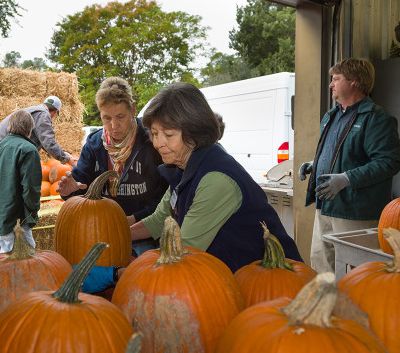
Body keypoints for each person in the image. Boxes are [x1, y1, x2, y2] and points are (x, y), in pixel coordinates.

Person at [80, 82, 302, 293]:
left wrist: (116, 274)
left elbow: (180, 254)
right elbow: (158, 220)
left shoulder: (215, 180)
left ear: (194, 133)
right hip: (230, 281)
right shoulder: (181, 167)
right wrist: (111, 240)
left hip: (268, 286)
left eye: (168, 135)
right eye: (154, 134)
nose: (158, 144)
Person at [299, 58, 400, 273]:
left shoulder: (377, 118)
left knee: (356, 272)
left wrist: (346, 178)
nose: (331, 84)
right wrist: (314, 164)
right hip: (325, 205)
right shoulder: (331, 116)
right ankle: (327, 307)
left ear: (353, 81)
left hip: (356, 212)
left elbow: (389, 162)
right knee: (321, 265)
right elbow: (339, 152)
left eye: (336, 79)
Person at [57, 77, 168, 256]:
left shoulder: (151, 141)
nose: (113, 126)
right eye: (106, 118)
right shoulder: (94, 145)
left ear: (132, 109)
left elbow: (165, 196)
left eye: (120, 117)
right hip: (104, 232)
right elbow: (83, 190)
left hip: (145, 233)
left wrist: (134, 219)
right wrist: (70, 192)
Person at [0, 96, 78, 210]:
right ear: (56, 112)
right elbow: (48, 142)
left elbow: (44, 142)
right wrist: (67, 159)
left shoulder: (35, 110)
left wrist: (64, 154)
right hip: (3, 150)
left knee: (3, 183)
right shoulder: (43, 115)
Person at [0, 110, 41, 252]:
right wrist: (33, 212)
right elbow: (31, 188)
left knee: (6, 255)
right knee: (24, 261)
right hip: (17, 217)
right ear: (30, 128)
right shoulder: (29, 149)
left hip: (0, 215)